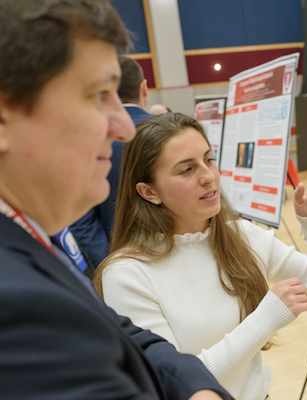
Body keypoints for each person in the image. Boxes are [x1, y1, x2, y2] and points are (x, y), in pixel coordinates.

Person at [0, 1, 231, 398]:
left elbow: (113, 330)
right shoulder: (15, 307)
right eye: (97, 94)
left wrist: (193, 386)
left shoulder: (32, 236)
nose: (125, 127)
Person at [97, 113, 307, 400]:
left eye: (209, 160)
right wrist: (265, 318)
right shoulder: (126, 274)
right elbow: (175, 384)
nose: (208, 177)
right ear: (149, 191)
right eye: (186, 170)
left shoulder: (241, 235)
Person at [70, 55, 153, 266]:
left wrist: (110, 264)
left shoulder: (86, 140)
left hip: (113, 259)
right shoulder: (178, 135)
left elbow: (81, 218)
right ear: (144, 88)